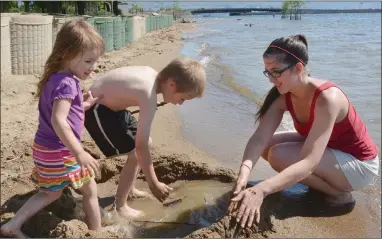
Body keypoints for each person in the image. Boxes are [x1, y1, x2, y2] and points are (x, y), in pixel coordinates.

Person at [230, 34, 379, 228]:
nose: (271, 79)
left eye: (276, 72)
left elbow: (309, 162)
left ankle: (339, 194)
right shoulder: (283, 95)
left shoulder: (327, 98)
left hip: (359, 165)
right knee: (267, 146)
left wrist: (262, 190)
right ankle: (323, 185)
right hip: (331, 152)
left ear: (298, 68)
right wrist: (243, 175)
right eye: (267, 72)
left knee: (279, 155)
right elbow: (259, 138)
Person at [1, 19, 105, 237]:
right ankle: (97, 232)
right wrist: (79, 152)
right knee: (89, 190)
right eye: (88, 61)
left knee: (50, 193)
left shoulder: (56, 78)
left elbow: (60, 112)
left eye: (95, 61)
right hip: (62, 151)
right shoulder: (67, 83)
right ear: (68, 54)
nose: (92, 67)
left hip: (46, 148)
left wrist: (83, 104)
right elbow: (59, 120)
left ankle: (13, 225)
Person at [84, 57, 206, 219]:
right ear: (171, 84)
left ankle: (130, 188)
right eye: (182, 98)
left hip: (115, 108)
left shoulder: (152, 76)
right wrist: (153, 183)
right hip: (98, 110)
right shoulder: (148, 95)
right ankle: (120, 206)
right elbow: (140, 146)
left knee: (147, 143)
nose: (181, 103)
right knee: (136, 153)